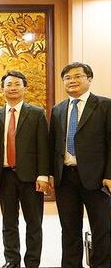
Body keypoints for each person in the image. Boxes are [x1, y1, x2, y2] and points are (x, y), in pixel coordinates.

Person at [49, 62, 111, 268]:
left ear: (89, 79)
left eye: (78, 76)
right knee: (68, 229)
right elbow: (53, 144)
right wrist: (50, 174)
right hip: (65, 178)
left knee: (102, 228)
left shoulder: (105, 105)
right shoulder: (58, 109)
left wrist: (109, 175)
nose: (72, 81)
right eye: (67, 78)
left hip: (97, 179)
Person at [0, 71, 49, 268]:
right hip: (5, 175)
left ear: (25, 87)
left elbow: (43, 146)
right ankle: (12, 260)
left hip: (31, 177)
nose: (13, 88)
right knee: (9, 222)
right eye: (8, 84)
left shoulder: (37, 113)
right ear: (2, 89)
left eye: (17, 84)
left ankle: (32, 262)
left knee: (34, 223)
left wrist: (43, 174)